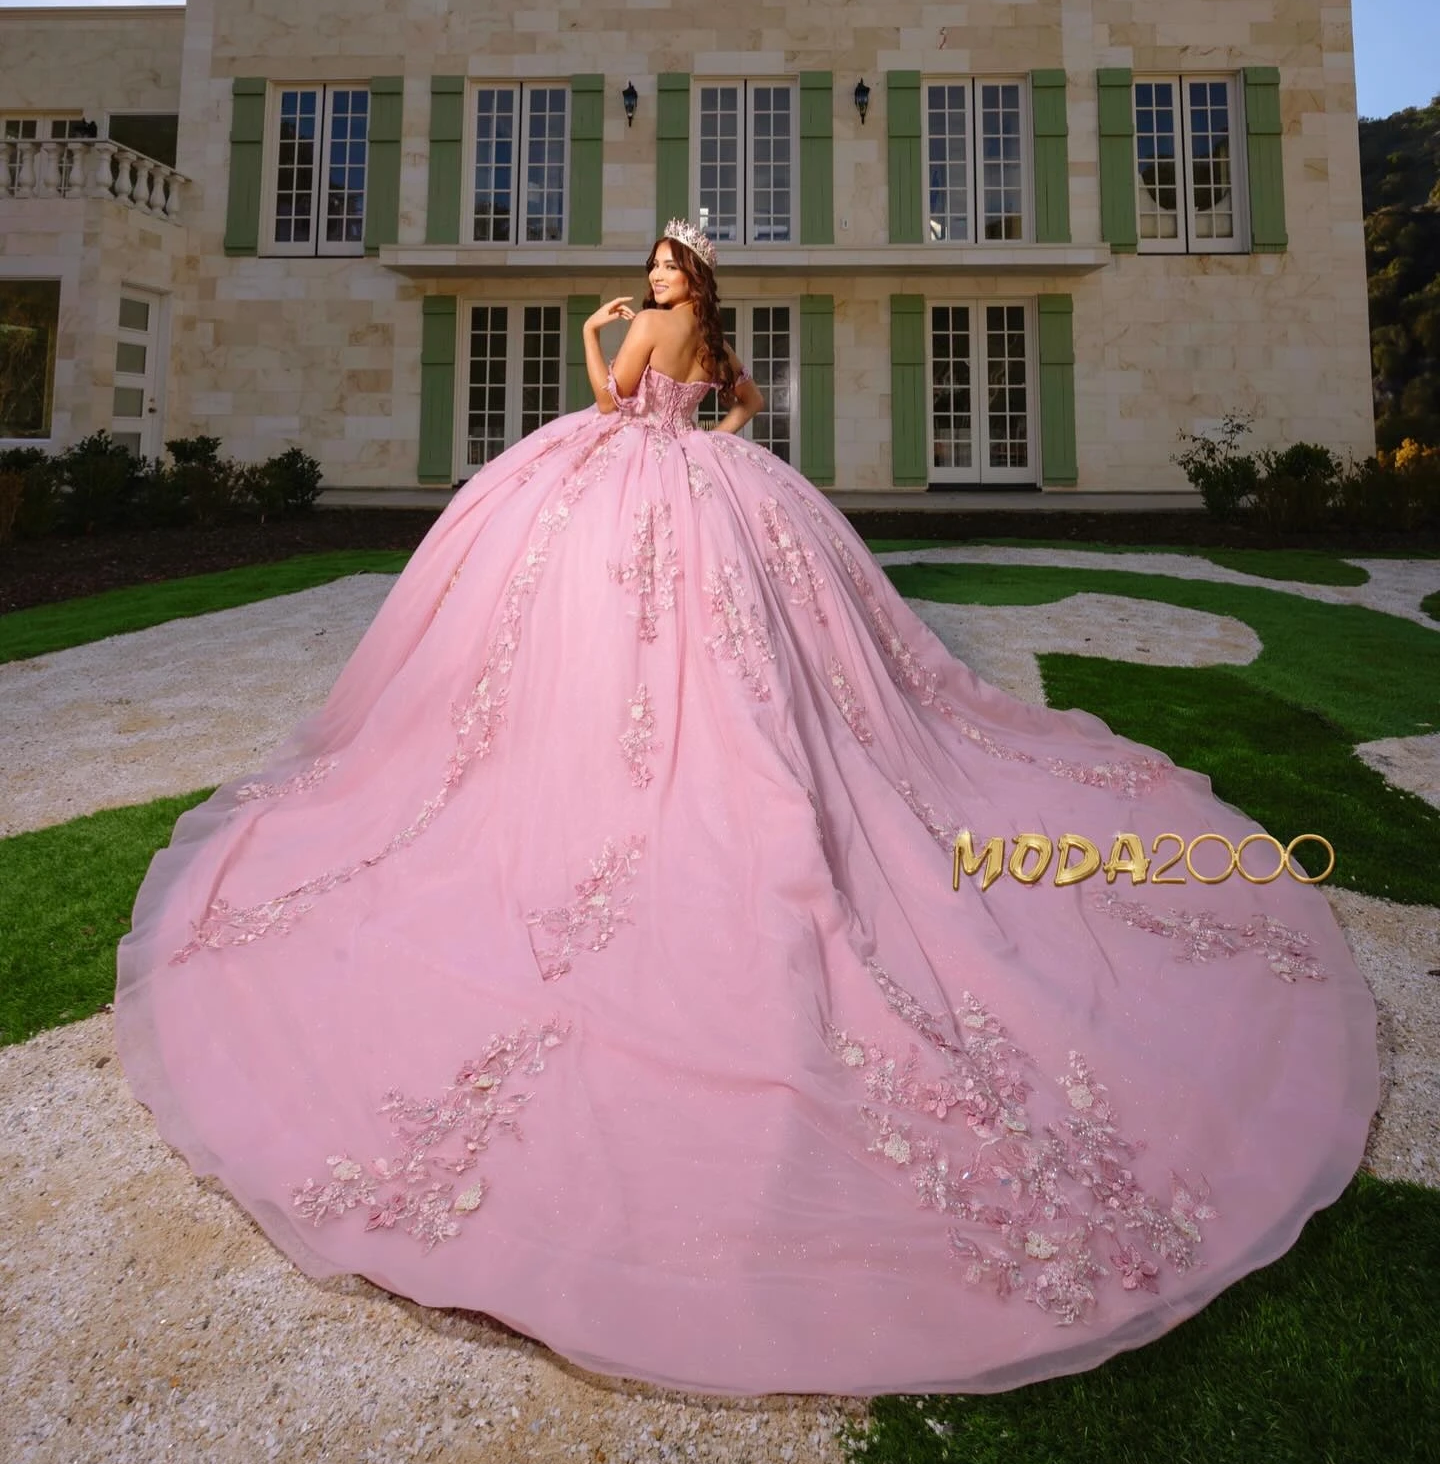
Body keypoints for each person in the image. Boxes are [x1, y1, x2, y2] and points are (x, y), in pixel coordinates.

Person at [114, 219, 1379, 1397]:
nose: (655, 281)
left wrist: (604, 329)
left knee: (624, 638)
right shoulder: (719, 350)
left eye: (666, 270)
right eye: (650, 270)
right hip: (702, 486)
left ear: (689, 283)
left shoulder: (654, 333)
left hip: (632, 480)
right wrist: (712, 438)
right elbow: (746, 408)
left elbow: (612, 400)